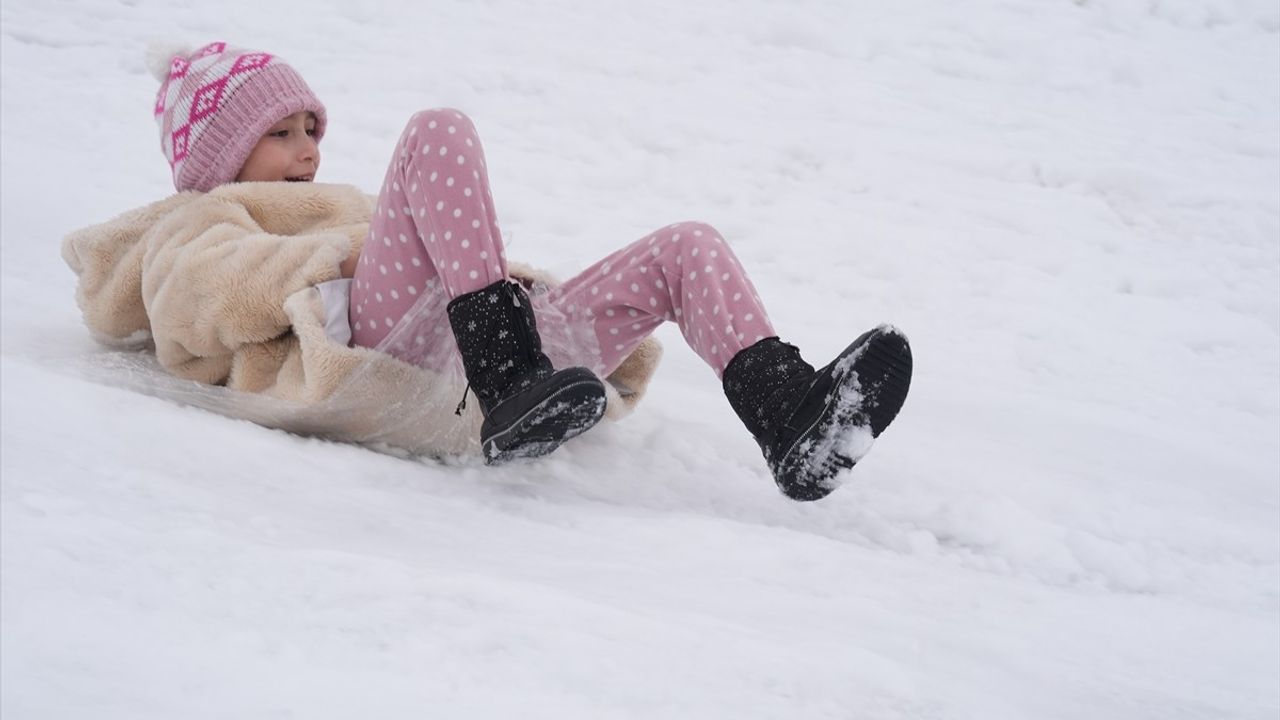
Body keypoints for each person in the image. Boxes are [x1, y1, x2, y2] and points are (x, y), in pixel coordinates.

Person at [64, 41, 912, 502]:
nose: (308, 149)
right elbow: (194, 306)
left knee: (685, 245)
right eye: (281, 132)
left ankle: (788, 415)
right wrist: (345, 254)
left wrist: (507, 285)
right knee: (436, 130)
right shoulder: (197, 219)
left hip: (468, 347)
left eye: (311, 128)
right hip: (374, 357)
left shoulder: (349, 204)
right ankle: (509, 371)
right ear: (219, 153)